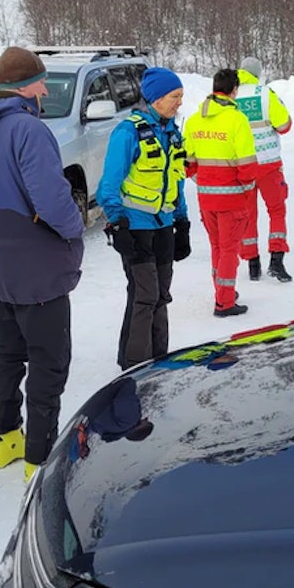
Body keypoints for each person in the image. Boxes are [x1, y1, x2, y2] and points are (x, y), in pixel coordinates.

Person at [0, 46, 85, 481]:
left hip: (1, 264)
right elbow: (51, 198)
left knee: (9, 353)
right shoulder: (28, 130)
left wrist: (0, 227)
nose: (46, 89)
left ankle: (5, 439)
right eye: (42, 81)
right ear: (26, 86)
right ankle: (39, 458)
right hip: (40, 267)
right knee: (49, 361)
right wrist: (72, 229)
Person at [97, 66, 190, 369]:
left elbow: (176, 180)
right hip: (135, 228)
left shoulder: (172, 132)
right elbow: (108, 184)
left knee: (161, 293)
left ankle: (158, 359)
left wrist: (183, 221)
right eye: (175, 96)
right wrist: (116, 222)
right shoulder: (128, 132)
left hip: (163, 226)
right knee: (144, 294)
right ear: (157, 98)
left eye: (180, 96)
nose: (179, 102)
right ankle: (134, 365)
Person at [181, 68, 259, 317]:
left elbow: (188, 163)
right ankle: (224, 302)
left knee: (217, 247)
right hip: (232, 198)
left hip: (206, 198)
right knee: (228, 249)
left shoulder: (194, 121)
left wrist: (203, 181)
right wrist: (246, 188)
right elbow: (247, 165)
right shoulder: (237, 120)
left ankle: (222, 291)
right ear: (234, 90)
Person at [235, 55, 294, 282]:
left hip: (244, 165)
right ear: (257, 73)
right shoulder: (265, 94)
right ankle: (276, 261)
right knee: (276, 210)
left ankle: (252, 264)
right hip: (269, 163)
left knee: (248, 214)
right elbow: (285, 126)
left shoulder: (230, 95)